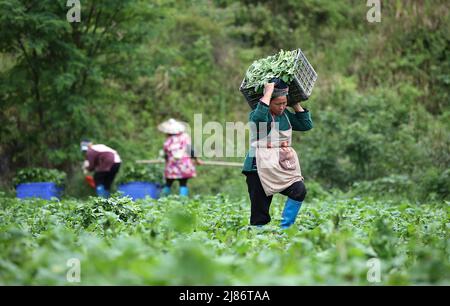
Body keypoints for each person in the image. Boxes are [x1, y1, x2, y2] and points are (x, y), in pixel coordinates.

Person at [242, 78, 313, 229]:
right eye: (278, 104)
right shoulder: (258, 114)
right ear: (268, 101)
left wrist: (294, 102)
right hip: (258, 168)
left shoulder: (285, 115)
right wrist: (267, 93)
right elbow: (259, 119)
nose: (282, 107)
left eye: (284, 103)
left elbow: (306, 124)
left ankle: (285, 229)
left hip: (281, 165)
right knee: (260, 213)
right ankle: (256, 240)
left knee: (299, 190)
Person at [158, 119, 203, 197]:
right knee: (183, 183)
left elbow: (166, 155)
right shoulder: (184, 137)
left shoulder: (167, 141)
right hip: (184, 165)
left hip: (171, 166)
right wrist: (196, 160)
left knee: (168, 183)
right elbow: (190, 150)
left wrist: (166, 162)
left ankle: (162, 199)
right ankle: (183, 201)